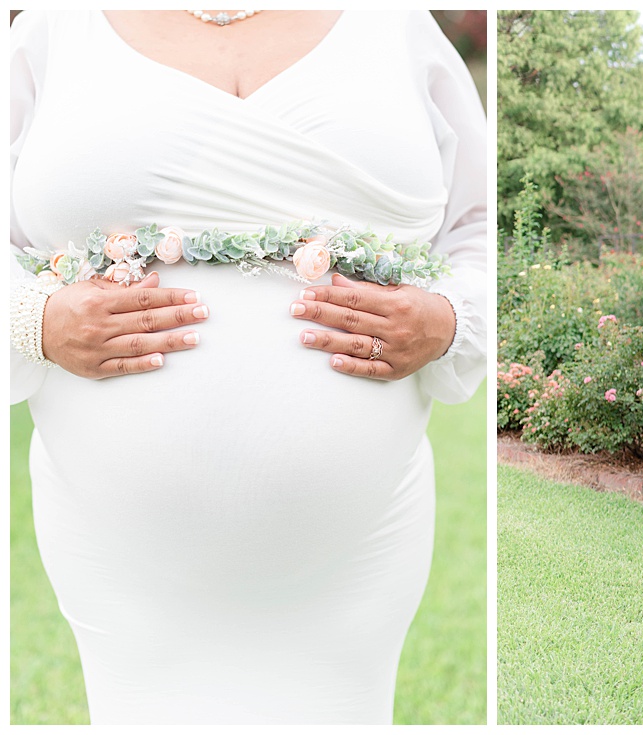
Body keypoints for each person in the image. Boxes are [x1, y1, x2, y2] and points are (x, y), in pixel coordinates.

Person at [8, 9, 486, 724]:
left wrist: (449, 319)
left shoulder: (396, 24)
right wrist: (34, 320)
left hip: (355, 556)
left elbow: (481, 232)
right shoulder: (53, 27)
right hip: (120, 554)